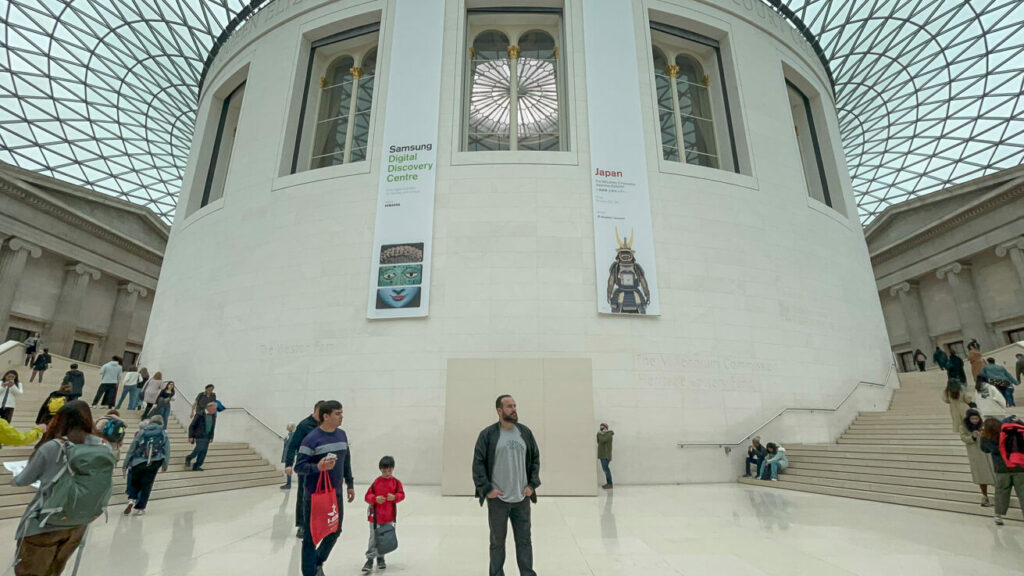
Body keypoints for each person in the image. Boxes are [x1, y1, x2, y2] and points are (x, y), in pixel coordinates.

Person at [12, 401, 111, 576]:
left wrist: (16, 478)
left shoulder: (53, 447)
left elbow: (23, 479)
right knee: (53, 571)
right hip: (77, 525)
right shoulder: (103, 446)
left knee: (29, 571)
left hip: (44, 523)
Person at [472, 395, 541, 576]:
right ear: (499, 410)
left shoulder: (524, 432)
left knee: (525, 541)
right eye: (509, 406)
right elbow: (478, 464)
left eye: (515, 405)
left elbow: (535, 460)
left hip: (521, 499)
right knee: (497, 543)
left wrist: (532, 485)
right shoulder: (488, 435)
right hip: (498, 501)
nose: (514, 409)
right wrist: (488, 490)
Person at [294, 400, 355, 576]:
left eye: (341, 413)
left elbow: (346, 461)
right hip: (315, 496)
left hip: (335, 494)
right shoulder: (312, 439)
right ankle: (310, 572)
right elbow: (299, 467)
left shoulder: (342, 435)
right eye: (337, 414)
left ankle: (317, 563)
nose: (341, 417)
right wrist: (317, 468)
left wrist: (349, 483)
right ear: (325, 416)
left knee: (335, 530)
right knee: (311, 537)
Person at [285, 401, 324, 538]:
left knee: (319, 496)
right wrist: (289, 464)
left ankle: (316, 522)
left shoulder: (324, 426)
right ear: (316, 411)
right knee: (303, 495)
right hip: (305, 466)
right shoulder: (304, 425)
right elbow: (292, 445)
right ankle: (302, 525)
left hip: (320, 467)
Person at [361, 455, 405, 573]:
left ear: (393, 469)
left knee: (384, 538)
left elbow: (402, 495)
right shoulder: (376, 483)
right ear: (380, 470)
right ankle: (370, 559)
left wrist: (395, 497)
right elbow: (367, 496)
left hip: (388, 517)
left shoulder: (396, 483)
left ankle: (381, 557)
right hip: (375, 518)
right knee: (373, 538)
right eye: (384, 471)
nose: (387, 473)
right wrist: (375, 499)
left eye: (389, 470)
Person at [122, 414, 171, 516]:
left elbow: (132, 448)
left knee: (135, 482)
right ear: (161, 423)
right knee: (147, 484)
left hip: (138, 461)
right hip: (154, 462)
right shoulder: (163, 434)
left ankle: (131, 499)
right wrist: (165, 464)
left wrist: (125, 463)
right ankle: (140, 508)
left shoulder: (142, 432)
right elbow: (167, 450)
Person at [980, 417, 1024, 526]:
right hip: (1019, 467)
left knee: (1001, 492)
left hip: (1001, 470)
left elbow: (984, 449)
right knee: (1023, 493)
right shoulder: (1009, 432)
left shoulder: (987, 437)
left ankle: (998, 516)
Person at [959, 408, 994, 507]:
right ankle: (984, 496)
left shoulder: (983, 425)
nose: (975, 420)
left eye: (977, 418)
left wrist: (984, 435)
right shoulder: (963, 427)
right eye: (973, 419)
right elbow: (964, 438)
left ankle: (999, 496)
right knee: (981, 476)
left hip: (987, 453)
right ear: (968, 419)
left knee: (994, 474)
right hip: (976, 455)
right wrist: (973, 437)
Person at [185, 402, 217, 471]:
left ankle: (196, 466)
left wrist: (212, 436)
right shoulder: (200, 414)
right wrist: (190, 436)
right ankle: (189, 457)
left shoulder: (213, 416)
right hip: (200, 435)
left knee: (203, 452)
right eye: (214, 409)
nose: (215, 410)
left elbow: (212, 427)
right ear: (209, 408)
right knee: (199, 449)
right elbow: (192, 425)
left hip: (207, 437)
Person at [596, 423, 614, 489]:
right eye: (600, 428)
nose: (601, 430)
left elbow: (602, 440)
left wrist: (599, 434)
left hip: (606, 455)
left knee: (606, 470)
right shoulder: (603, 435)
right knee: (605, 469)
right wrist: (598, 435)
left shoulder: (608, 435)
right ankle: (608, 483)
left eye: (602, 428)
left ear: (606, 428)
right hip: (602, 455)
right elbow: (599, 441)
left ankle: (610, 484)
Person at [281, 423, 296, 490]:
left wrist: (285, 440)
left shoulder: (291, 435)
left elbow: (288, 445)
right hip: (290, 455)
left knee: (288, 468)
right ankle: (288, 483)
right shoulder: (292, 435)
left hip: (289, 455)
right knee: (288, 468)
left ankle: (288, 484)